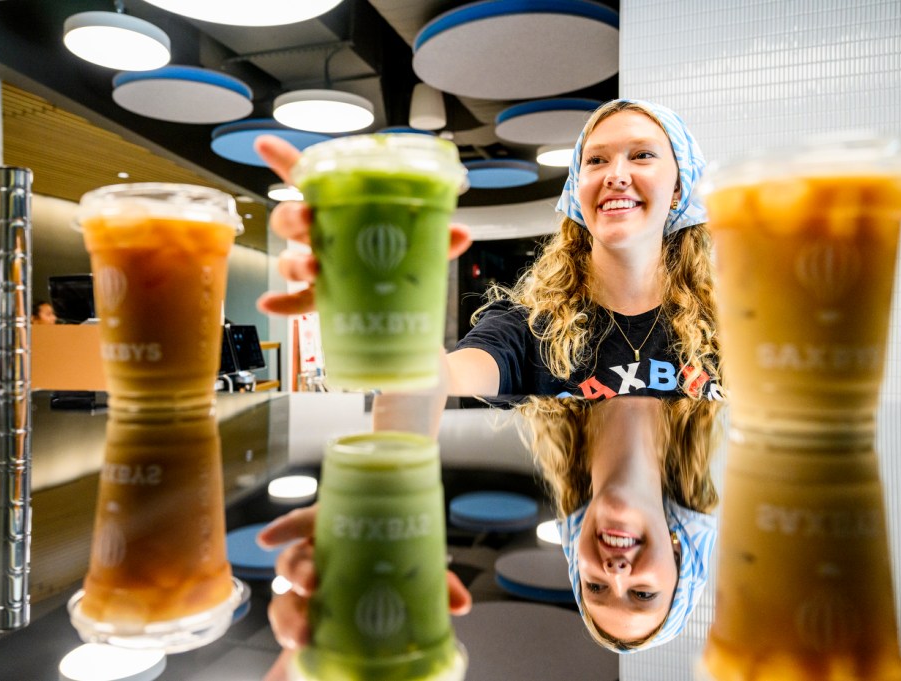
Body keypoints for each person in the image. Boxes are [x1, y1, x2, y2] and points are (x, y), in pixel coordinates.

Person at [256, 98, 721, 400]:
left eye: (641, 155)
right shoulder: (526, 326)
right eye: (596, 159)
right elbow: (442, 381)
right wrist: (377, 297)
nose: (615, 173)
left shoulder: (734, 323)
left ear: (680, 188)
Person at [519, 395, 720, 652]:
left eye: (596, 586)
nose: (615, 572)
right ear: (678, 552)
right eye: (643, 594)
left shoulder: (520, 376)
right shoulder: (722, 372)